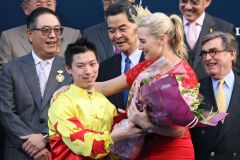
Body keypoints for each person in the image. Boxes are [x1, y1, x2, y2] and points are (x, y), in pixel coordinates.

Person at [53, 8, 196, 160]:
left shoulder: (184, 74)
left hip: (173, 151)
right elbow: (106, 87)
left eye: (143, 41)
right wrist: (72, 88)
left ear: (162, 39)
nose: (140, 47)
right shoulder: (145, 66)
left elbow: (179, 130)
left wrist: (147, 125)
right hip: (141, 149)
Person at [48, 38, 142, 159]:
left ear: (98, 63)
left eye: (92, 64)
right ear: (68, 69)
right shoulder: (61, 103)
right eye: (80, 66)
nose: (88, 71)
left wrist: (126, 122)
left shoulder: (105, 102)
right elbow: (80, 142)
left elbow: (117, 150)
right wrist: (114, 137)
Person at [0, 7, 72, 160]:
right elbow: (5, 112)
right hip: (19, 151)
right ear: (30, 34)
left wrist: (45, 138)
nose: (52, 36)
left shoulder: (71, 69)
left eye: (57, 30)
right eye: (45, 30)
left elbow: (75, 114)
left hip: (59, 151)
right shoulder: (11, 69)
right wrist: (32, 146)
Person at [190, 31, 240, 160]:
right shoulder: (194, 89)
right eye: (204, 53)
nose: (207, 58)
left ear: (232, 54)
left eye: (213, 52)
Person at [0, 0, 81, 69]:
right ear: (25, 8)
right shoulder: (9, 38)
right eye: (38, 4)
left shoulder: (73, 36)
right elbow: (3, 76)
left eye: (49, 4)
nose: (44, 8)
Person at [97, 0, 144, 109]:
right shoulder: (104, 69)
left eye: (123, 29)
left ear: (138, 26)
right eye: (112, 31)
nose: (117, 36)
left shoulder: (154, 63)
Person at [179, 0, 238, 79]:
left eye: (194, 2)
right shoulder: (168, 26)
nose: (188, 7)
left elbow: (234, 66)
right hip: (172, 89)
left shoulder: (224, 28)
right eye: (184, 1)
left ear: (207, 2)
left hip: (212, 90)